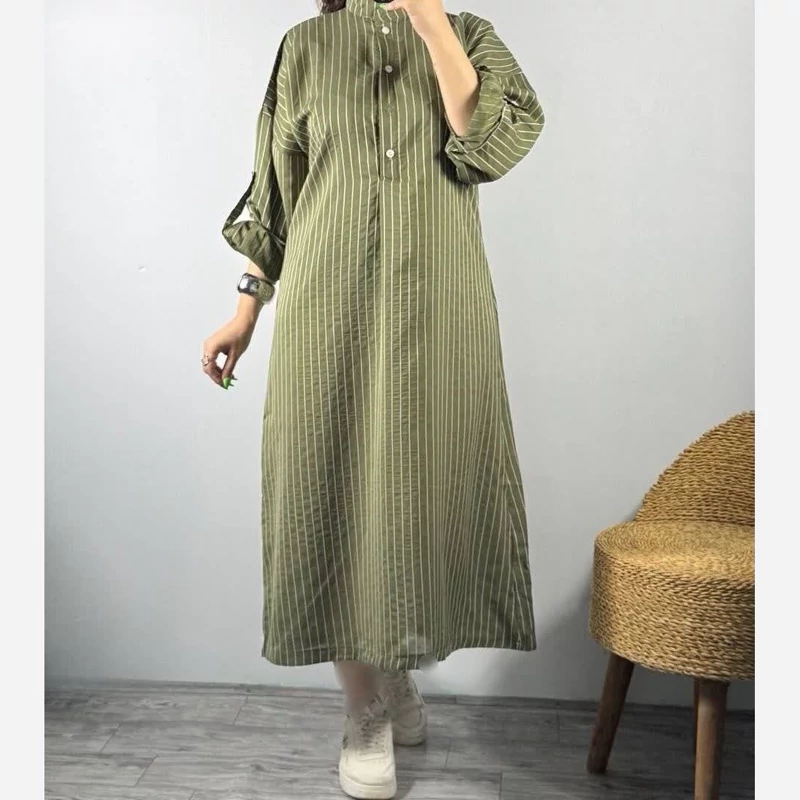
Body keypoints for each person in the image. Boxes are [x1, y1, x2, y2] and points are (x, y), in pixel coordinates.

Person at [201, 1, 545, 797]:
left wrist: (431, 22)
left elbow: (491, 145)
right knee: (330, 492)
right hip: (329, 305)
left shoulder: (469, 35)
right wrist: (246, 309)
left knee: (424, 494)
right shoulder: (305, 48)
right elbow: (277, 192)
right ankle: (364, 709)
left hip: (440, 309)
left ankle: (394, 675)